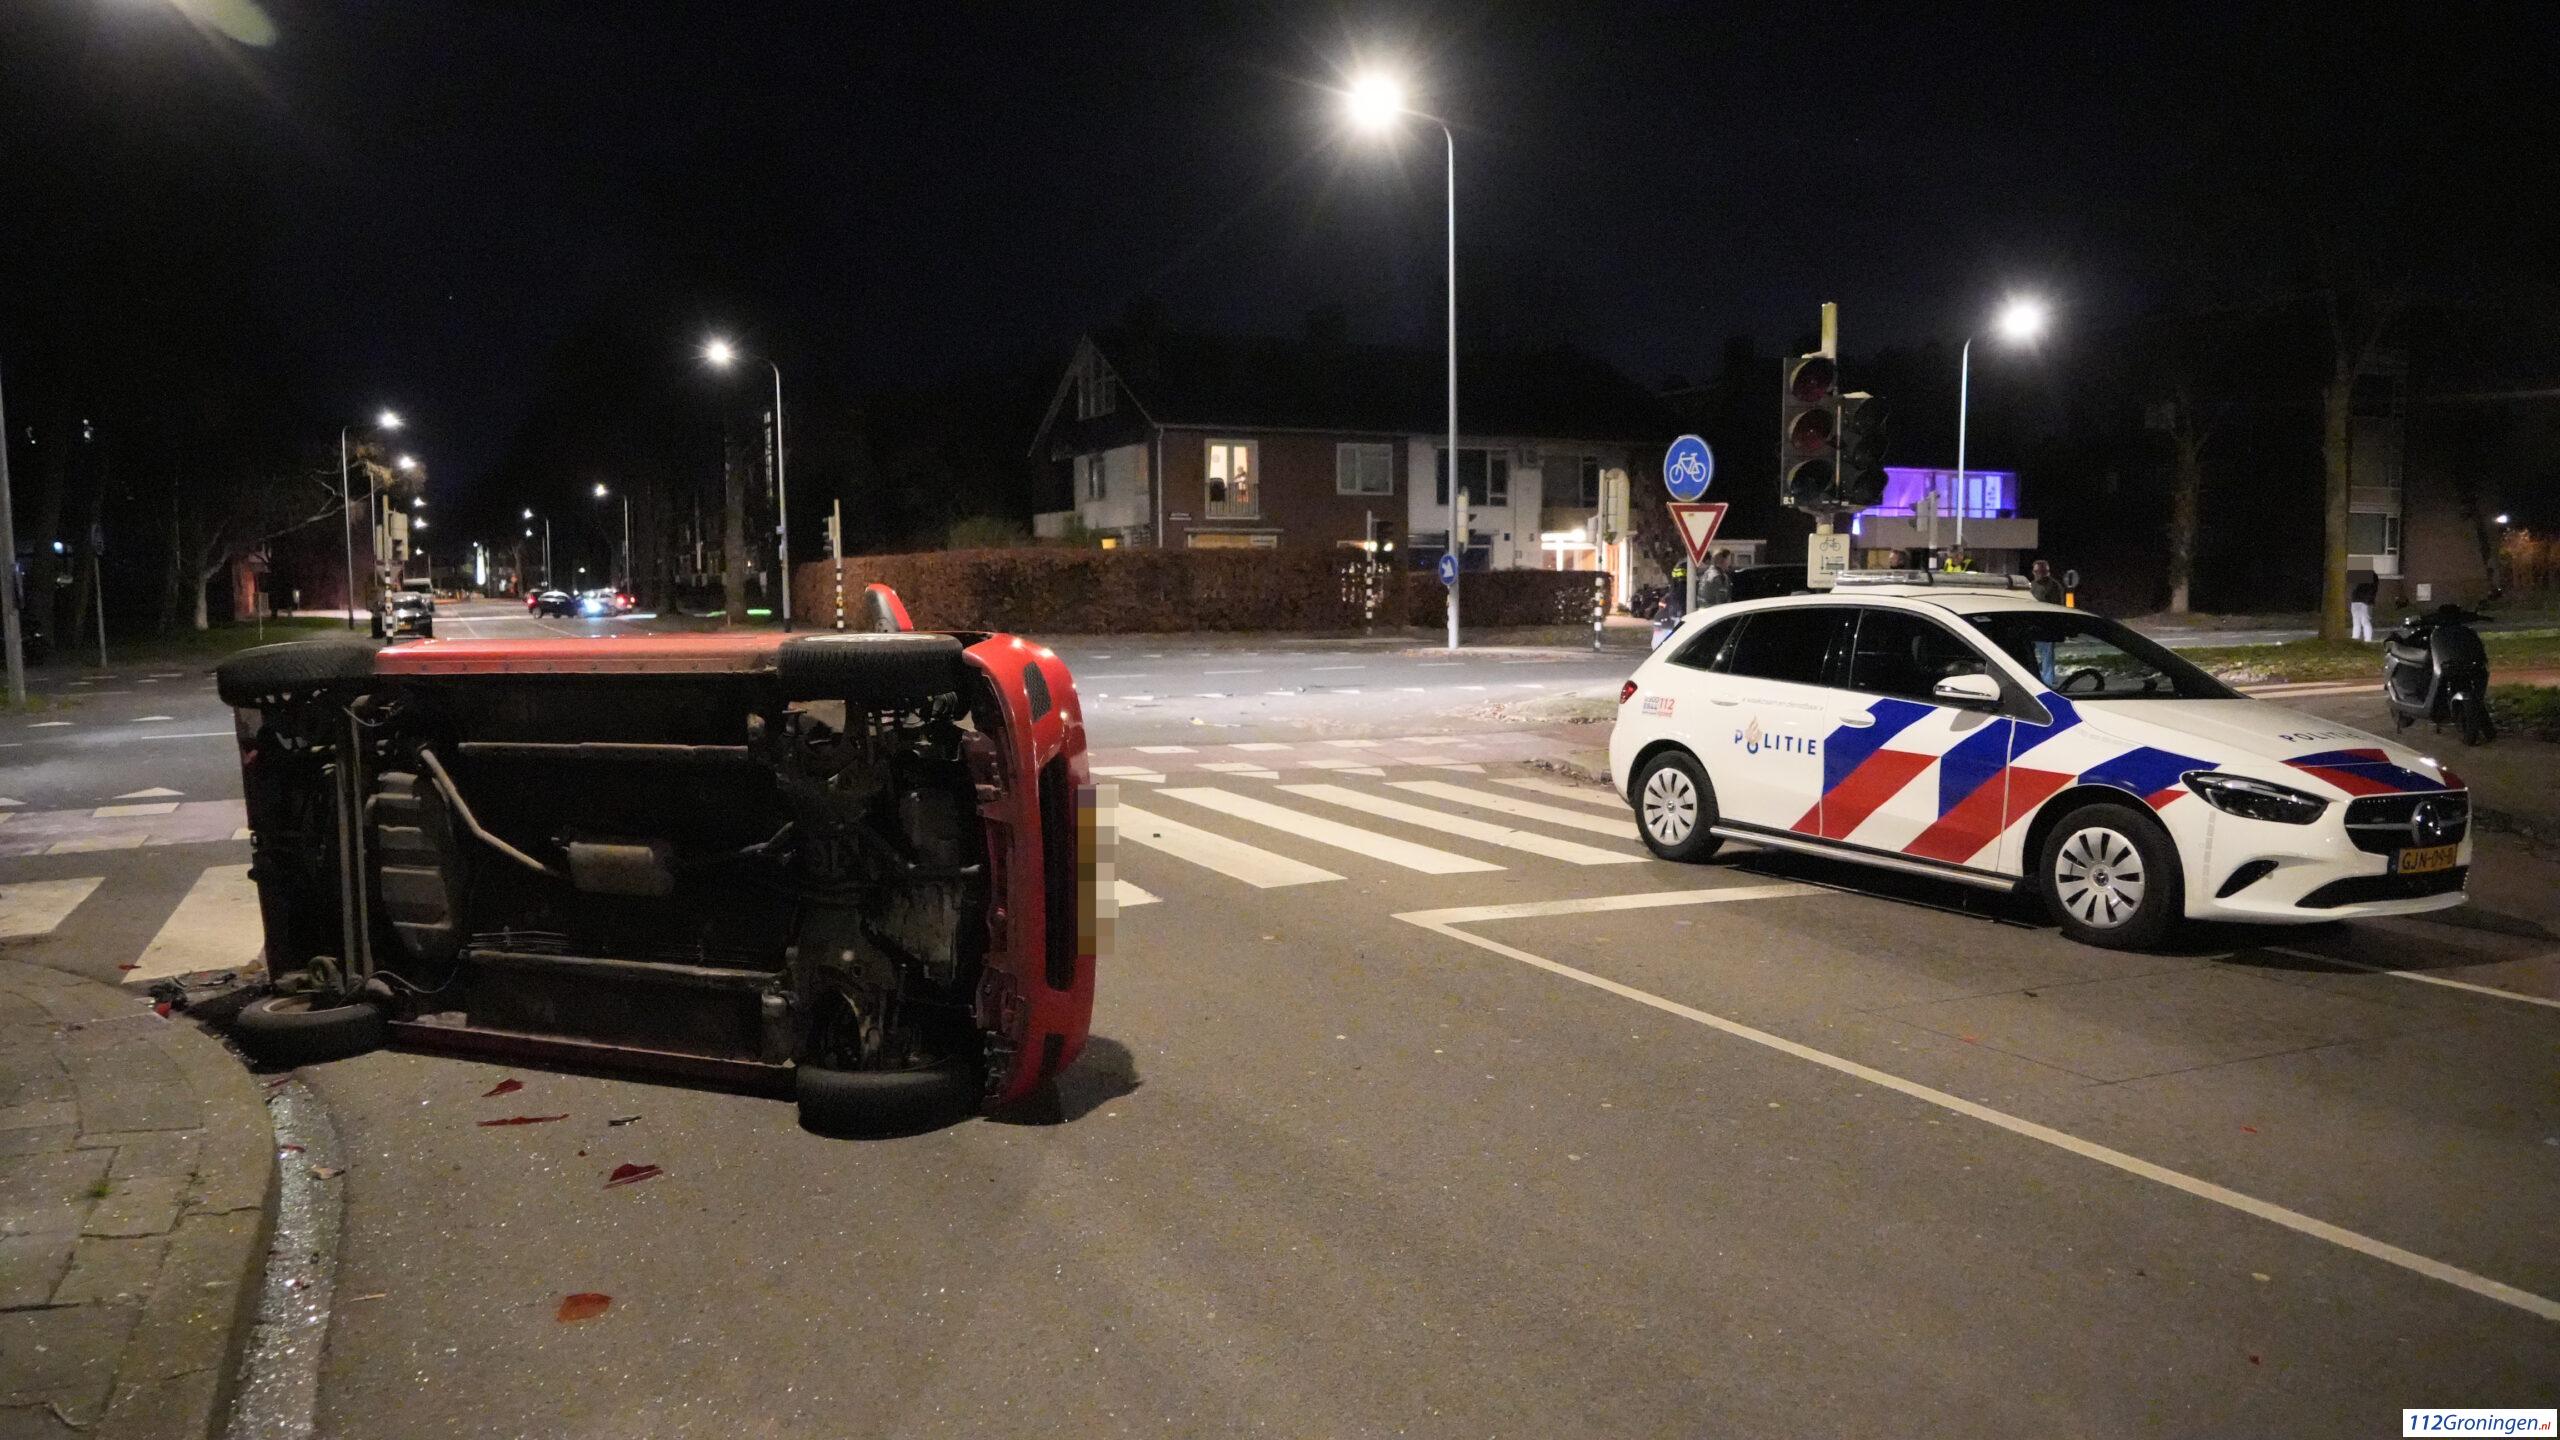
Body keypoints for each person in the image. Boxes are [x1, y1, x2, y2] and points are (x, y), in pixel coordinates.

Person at [2028, 559, 2065, 683]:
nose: (2038, 574)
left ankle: (2047, 682)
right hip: (2031, 626)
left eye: (2041, 571)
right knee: (2032, 655)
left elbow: (2057, 607)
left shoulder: (2053, 586)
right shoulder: (2031, 586)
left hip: (2046, 626)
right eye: (2037, 571)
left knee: (2047, 656)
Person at [2350, 575, 2378, 642]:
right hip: (2364, 601)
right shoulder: (2372, 578)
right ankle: (2367, 639)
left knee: (2357, 622)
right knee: (2365, 621)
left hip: (2357, 601)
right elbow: (2373, 590)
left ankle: (2356, 638)